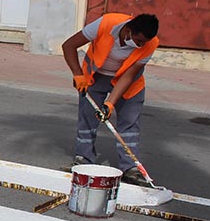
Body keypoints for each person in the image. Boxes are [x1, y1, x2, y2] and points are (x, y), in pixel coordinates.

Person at [61, 12, 160, 187]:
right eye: (138, 41)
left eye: (143, 43)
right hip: (95, 77)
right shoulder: (106, 23)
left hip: (129, 83)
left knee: (129, 124)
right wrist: (78, 74)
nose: (140, 45)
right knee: (87, 118)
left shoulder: (151, 44)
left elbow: (129, 76)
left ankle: (130, 168)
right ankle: (83, 159)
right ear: (128, 30)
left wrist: (110, 104)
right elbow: (69, 45)